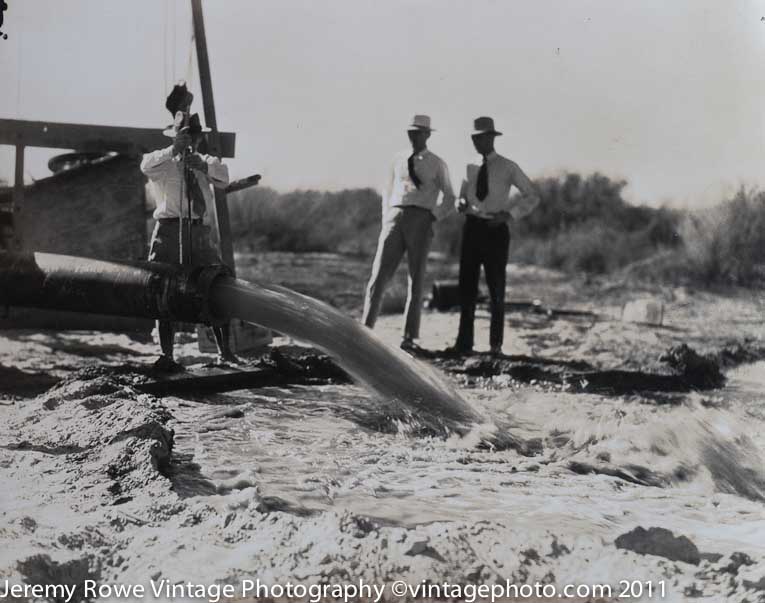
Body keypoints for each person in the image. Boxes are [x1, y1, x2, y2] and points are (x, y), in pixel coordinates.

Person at [141, 103, 237, 371]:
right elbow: (145, 166)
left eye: (194, 137)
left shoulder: (205, 163)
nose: (190, 141)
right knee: (161, 287)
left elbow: (224, 177)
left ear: (200, 138)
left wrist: (203, 168)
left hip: (198, 230)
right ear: (175, 137)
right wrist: (173, 150)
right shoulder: (163, 163)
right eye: (184, 136)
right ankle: (167, 355)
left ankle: (225, 352)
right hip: (169, 229)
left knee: (217, 284)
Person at [362, 114, 456, 351]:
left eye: (419, 133)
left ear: (427, 135)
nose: (414, 137)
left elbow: (450, 196)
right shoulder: (398, 159)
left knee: (416, 279)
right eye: (411, 133)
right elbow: (387, 189)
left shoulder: (437, 163)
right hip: (395, 216)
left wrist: (433, 216)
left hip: (422, 217)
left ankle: (409, 337)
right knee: (378, 276)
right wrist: (387, 218)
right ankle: (365, 330)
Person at [451, 116, 541, 356]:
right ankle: (464, 344)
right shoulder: (468, 166)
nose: (477, 141)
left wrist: (509, 215)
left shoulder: (508, 166)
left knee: (496, 288)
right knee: (466, 288)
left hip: (495, 229)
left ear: (492, 138)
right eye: (474, 138)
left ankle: (495, 346)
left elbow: (532, 195)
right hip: (471, 227)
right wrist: (460, 202)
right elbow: (461, 196)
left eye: (482, 137)